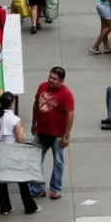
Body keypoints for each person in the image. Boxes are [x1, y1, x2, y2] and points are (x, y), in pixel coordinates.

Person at [0, 92, 42, 215]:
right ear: (12, 103)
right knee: (21, 180)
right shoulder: (14, 120)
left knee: (1, 181)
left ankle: (5, 207)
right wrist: (23, 132)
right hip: (12, 151)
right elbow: (20, 139)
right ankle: (29, 206)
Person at [29, 66, 74, 200]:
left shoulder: (66, 94)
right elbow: (36, 104)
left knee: (58, 162)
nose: (50, 80)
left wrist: (66, 135)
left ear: (61, 81)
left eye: (54, 79)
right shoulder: (42, 86)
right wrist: (33, 122)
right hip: (41, 131)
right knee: (35, 159)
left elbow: (70, 114)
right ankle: (37, 188)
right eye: (50, 77)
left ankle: (55, 188)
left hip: (57, 135)